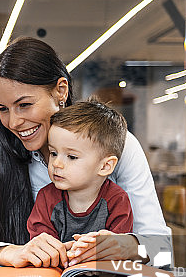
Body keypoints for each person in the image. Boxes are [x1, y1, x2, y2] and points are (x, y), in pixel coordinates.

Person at [0, 37, 171, 268]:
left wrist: (124, 246)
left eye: (25, 105)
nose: (14, 121)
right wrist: (9, 252)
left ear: (61, 91)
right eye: (3, 109)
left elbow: (161, 248)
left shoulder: (119, 145)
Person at [26, 99, 133, 263]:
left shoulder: (117, 200)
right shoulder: (46, 197)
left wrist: (112, 245)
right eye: (53, 153)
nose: (56, 164)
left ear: (105, 166)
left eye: (71, 157)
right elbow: (42, 245)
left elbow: (121, 250)